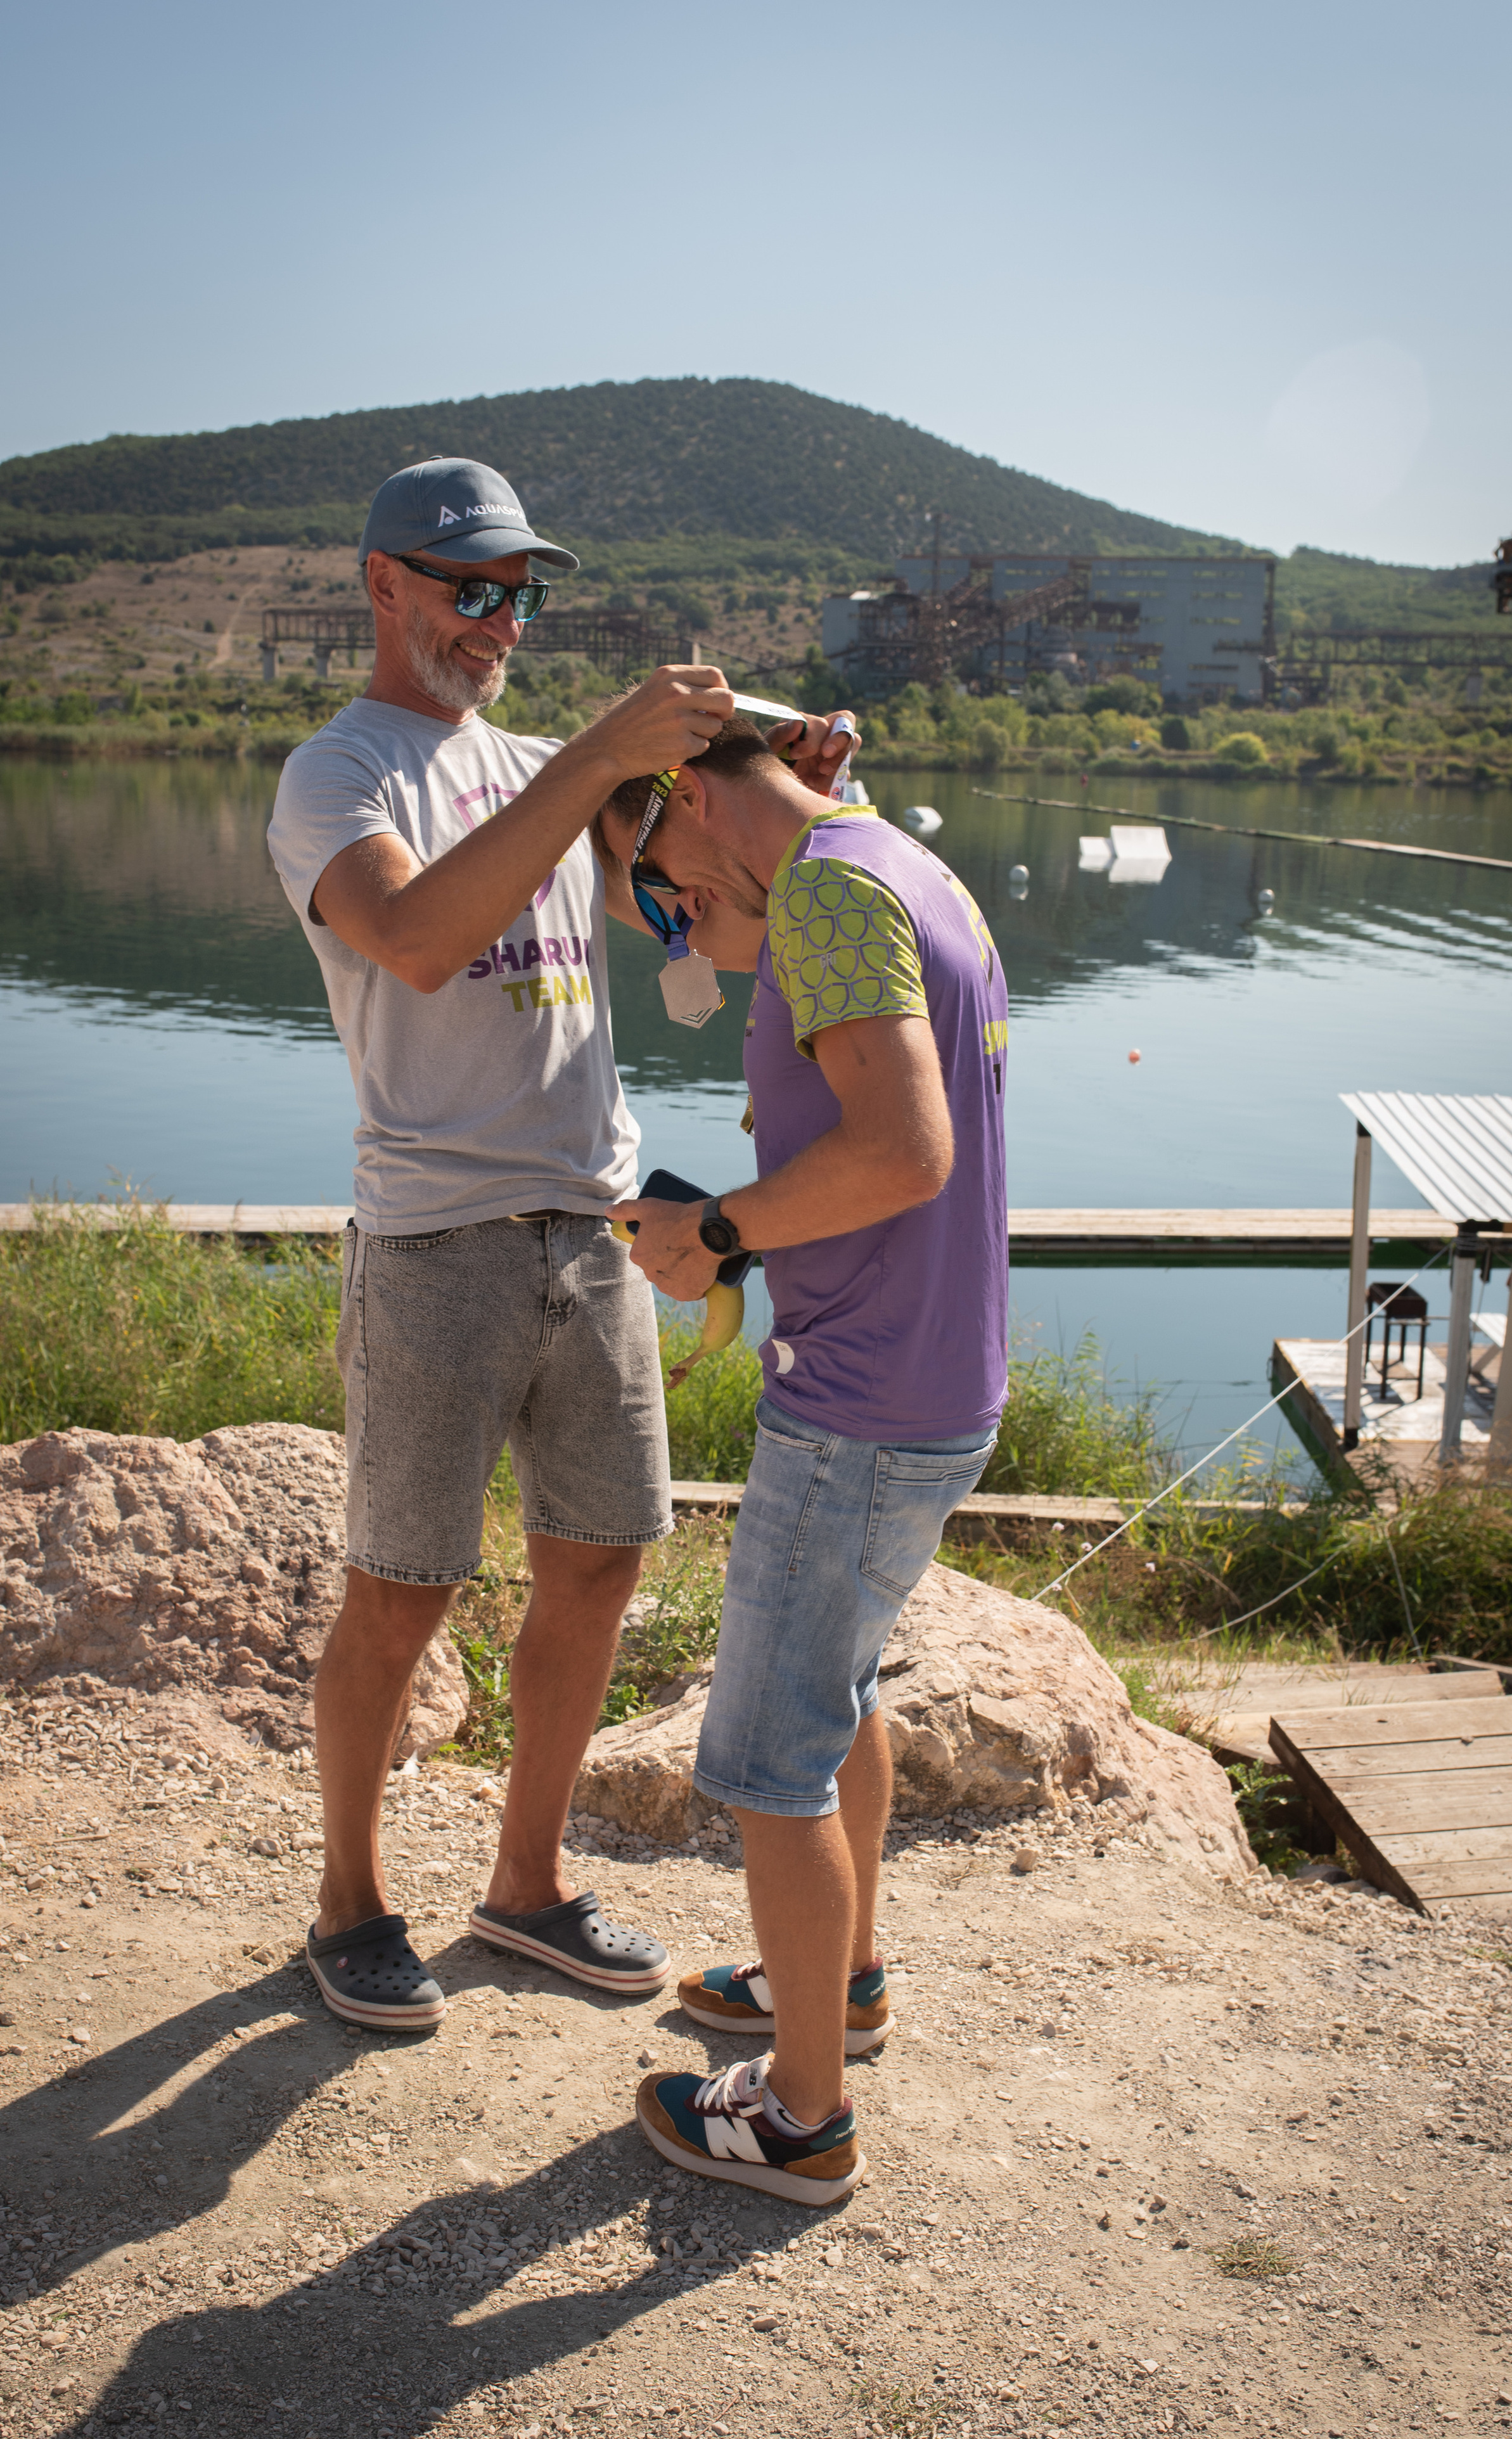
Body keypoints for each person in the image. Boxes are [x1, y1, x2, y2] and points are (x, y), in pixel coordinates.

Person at [266, 458, 849, 2032]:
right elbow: (416, 937)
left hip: (593, 1228)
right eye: (472, 587)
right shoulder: (336, 776)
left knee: (597, 1562)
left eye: (519, 594)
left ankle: (523, 1884)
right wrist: (598, 751)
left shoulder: (553, 770)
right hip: (435, 1240)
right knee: (402, 1587)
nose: (499, 621)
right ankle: (348, 1901)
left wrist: (785, 792)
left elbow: (718, 913)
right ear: (382, 583)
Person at [599, 718, 1009, 2202]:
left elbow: (903, 1153)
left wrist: (712, 1226)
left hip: (857, 1402)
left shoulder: (827, 890)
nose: (673, 926)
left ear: (694, 802)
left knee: (773, 1757)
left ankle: (800, 2117)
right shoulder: (891, 859)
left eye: (657, 886)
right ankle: (833, 1980)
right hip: (930, 1376)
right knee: (836, 1697)